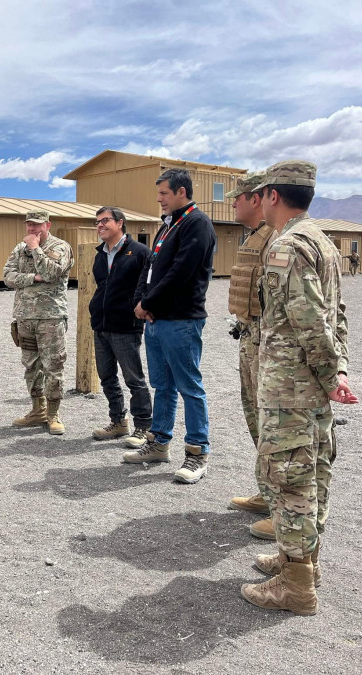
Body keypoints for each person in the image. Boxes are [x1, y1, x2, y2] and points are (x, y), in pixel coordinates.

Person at [240, 160, 358, 616]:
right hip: (313, 386)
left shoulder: (286, 246)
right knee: (314, 474)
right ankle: (301, 562)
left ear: (271, 195)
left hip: (291, 387)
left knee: (288, 477)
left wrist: (332, 375)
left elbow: (308, 319)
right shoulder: (323, 241)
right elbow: (337, 314)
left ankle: (296, 588)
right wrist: (338, 372)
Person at [127, 169, 216, 484]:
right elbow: (150, 269)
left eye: (164, 193)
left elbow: (180, 273)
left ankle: (196, 454)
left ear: (181, 192)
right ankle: (159, 444)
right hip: (157, 320)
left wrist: (148, 303)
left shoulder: (197, 224)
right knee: (162, 386)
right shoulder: (167, 226)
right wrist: (142, 302)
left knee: (189, 387)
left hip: (181, 320)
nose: (159, 199)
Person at [225, 172, 279, 540]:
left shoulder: (275, 239)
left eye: (237, 198)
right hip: (249, 335)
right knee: (254, 417)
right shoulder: (256, 237)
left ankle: (282, 508)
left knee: (273, 424)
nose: (232, 204)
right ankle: (268, 491)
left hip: (265, 340)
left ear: (256, 199)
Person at [4, 211, 74, 435]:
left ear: (47, 225)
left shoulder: (60, 247)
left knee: (53, 366)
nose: (32, 230)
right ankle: (38, 410)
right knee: (31, 366)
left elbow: (52, 273)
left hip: (51, 317)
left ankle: (53, 414)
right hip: (25, 317)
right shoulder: (19, 248)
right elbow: (7, 276)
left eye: (37, 226)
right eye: (29, 226)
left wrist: (35, 249)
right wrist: (32, 278)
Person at [88, 206, 153, 449]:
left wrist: (139, 309)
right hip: (101, 325)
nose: (100, 225)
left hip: (126, 326)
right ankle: (118, 421)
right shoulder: (100, 254)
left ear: (120, 223)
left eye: (105, 221)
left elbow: (147, 285)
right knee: (106, 378)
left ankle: (143, 426)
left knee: (133, 379)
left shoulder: (138, 252)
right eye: (97, 222)